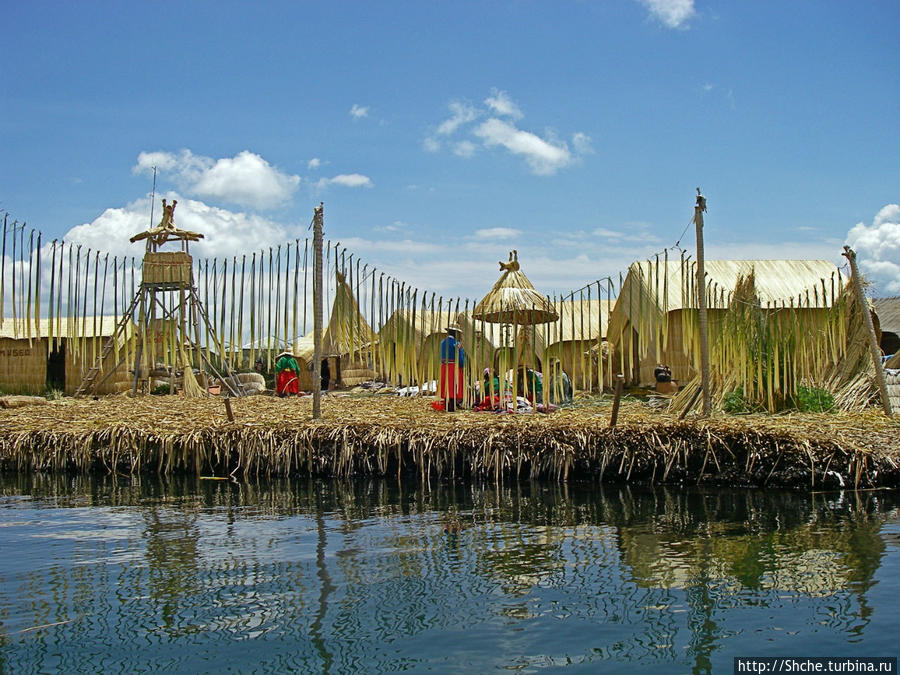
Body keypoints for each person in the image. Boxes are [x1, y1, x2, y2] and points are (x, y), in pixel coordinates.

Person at [439, 324, 466, 411]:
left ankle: (447, 406)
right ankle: (452, 407)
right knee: (453, 386)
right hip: (453, 367)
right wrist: (462, 366)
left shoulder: (442, 342)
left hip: (444, 367)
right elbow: (460, 358)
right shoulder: (457, 344)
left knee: (447, 386)